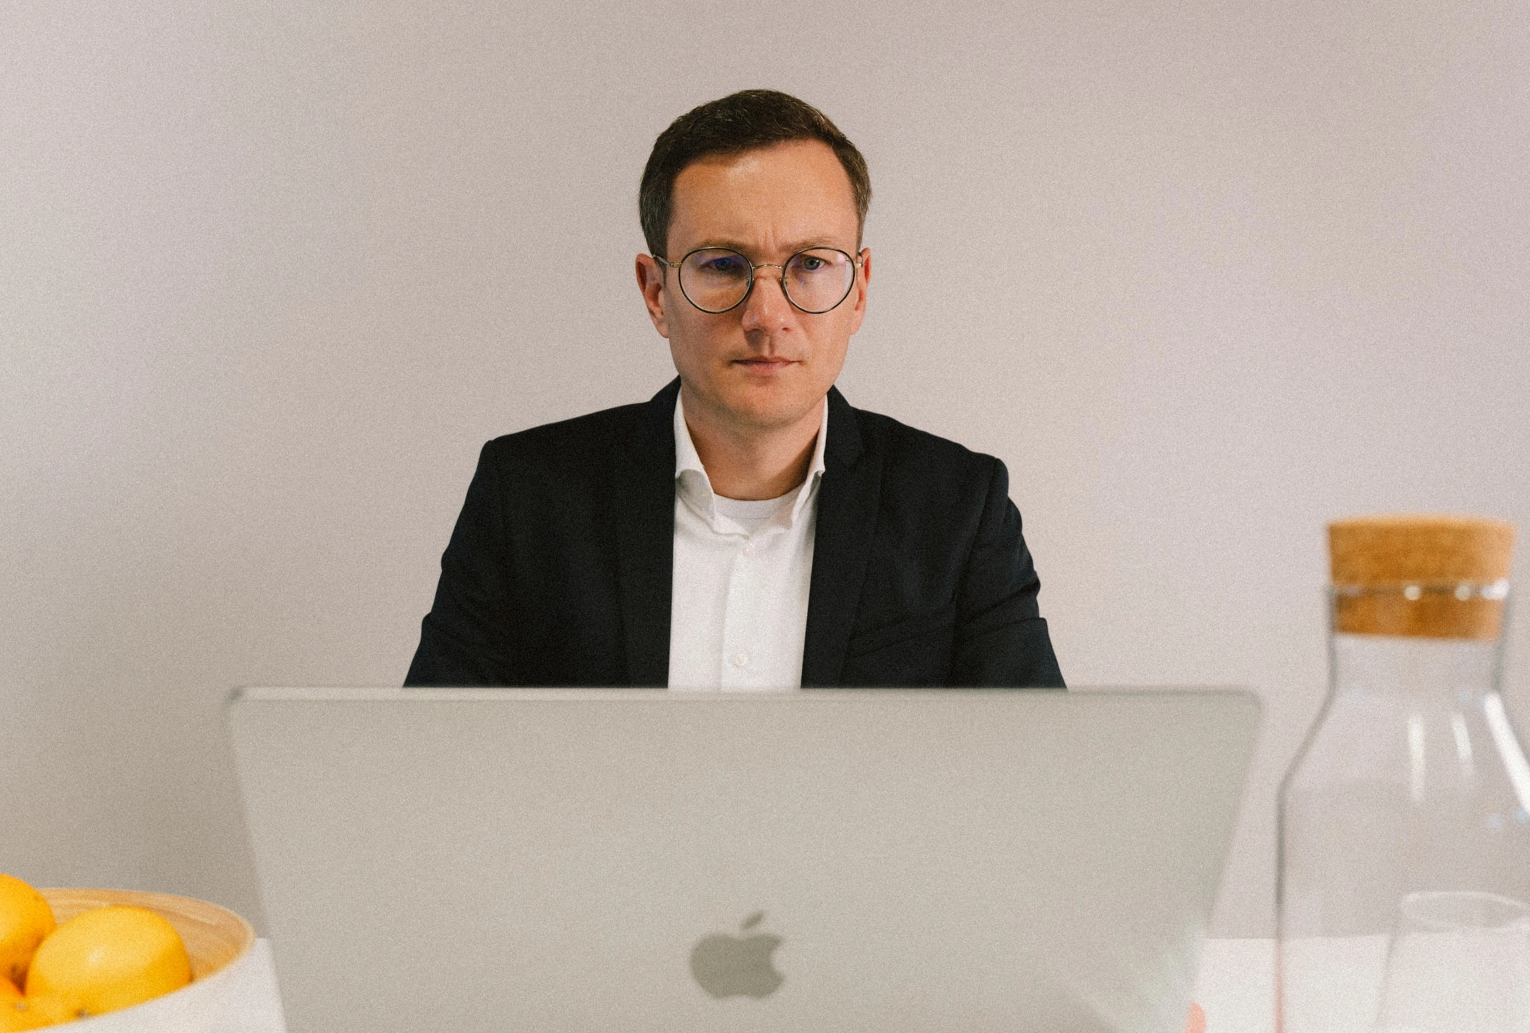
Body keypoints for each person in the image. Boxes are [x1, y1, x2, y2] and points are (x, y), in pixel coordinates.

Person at [405, 89, 1063, 690]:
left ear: (859, 290)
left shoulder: (958, 511)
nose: (767, 315)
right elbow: (433, 770)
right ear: (656, 292)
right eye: (722, 265)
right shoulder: (526, 500)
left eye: (810, 265)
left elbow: (1033, 780)